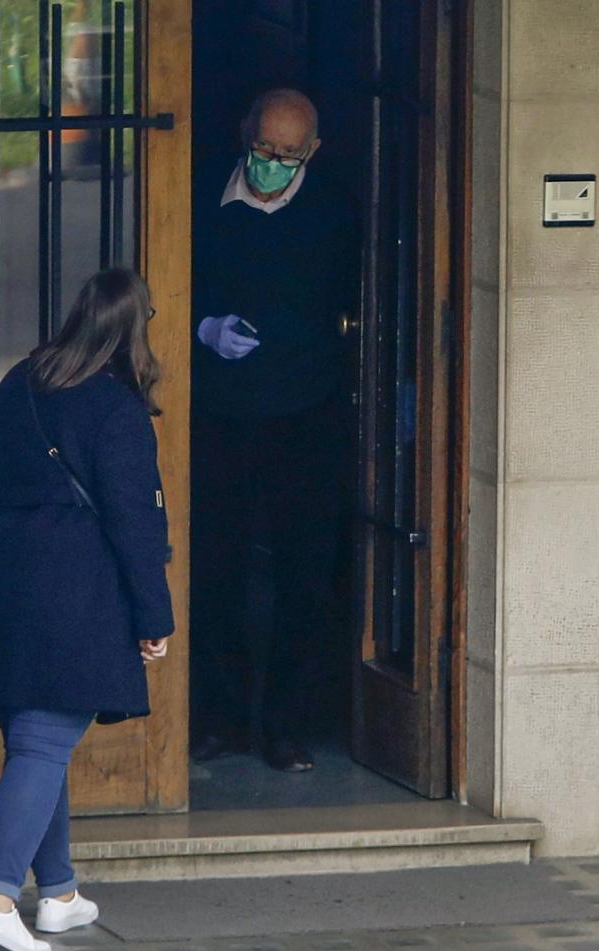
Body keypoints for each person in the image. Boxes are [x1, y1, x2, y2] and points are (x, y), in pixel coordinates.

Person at [0, 268, 174, 951]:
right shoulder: (116, 408)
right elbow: (135, 524)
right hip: (71, 586)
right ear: (134, 329)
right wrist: (151, 616)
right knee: (44, 745)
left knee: (35, 741)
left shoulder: (20, 382)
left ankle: (62, 893)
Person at [190, 88, 360, 773]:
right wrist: (202, 327)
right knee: (215, 571)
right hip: (218, 413)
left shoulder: (334, 211)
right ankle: (222, 719)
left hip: (305, 414)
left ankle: (285, 725)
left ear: (311, 153)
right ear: (243, 135)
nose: (273, 165)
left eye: (289, 155)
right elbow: (158, 281)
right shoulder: (202, 195)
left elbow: (352, 302)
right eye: (264, 150)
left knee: (303, 577)